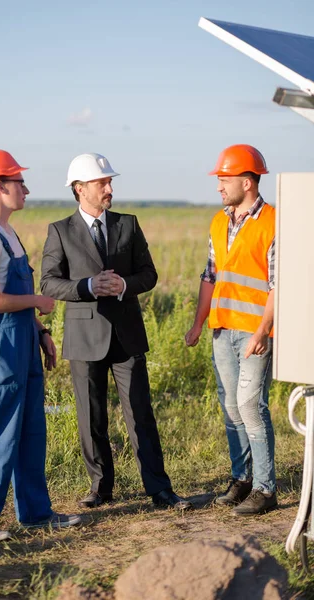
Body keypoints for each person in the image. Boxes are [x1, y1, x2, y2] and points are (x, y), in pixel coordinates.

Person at [40, 152, 192, 511]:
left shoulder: (129, 223)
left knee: (141, 413)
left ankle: (159, 489)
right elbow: (48, 283)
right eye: (101, 182)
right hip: (84, 338)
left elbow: (149, 275)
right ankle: (100, 487)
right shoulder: (60, 231)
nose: (109, 188)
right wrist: (89, 286)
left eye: (109, 182)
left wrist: (124, 285)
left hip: (127, 337)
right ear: (80, 189)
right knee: (91, 417)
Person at [0, 149, 81, 542]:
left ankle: (35, 513)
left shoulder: (8, 231)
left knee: (30, 431)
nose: (25, 189)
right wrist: (37, 303)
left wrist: (41, 334)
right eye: (18, 182)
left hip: (23, 342)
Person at [185, 144, 277, 516]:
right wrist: (197, 322)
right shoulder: (219, 221)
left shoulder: (273, 221)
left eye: (225, 179)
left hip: (255, 333)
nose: (220, 186)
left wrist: (263, 331)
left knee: (250, 406)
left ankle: (265, 488)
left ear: (248, 181)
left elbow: (278, 284)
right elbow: (211, 275)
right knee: (231, 407)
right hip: (222, 329)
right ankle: (241, 479)